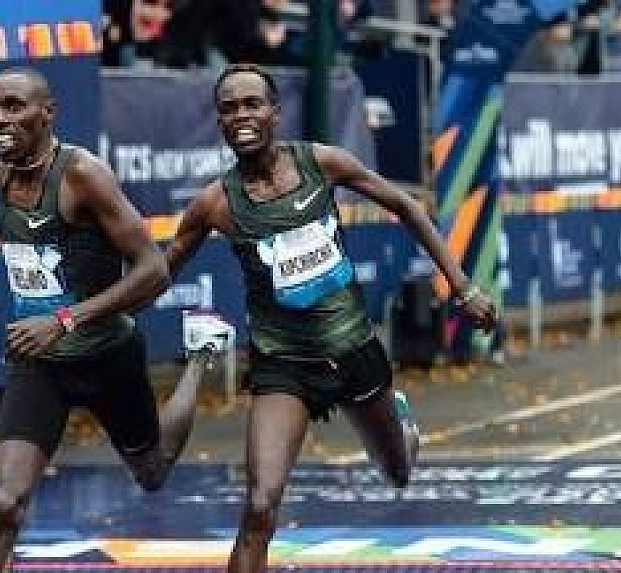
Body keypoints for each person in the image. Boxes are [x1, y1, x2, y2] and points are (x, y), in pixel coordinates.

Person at [164, 64, 498, 572]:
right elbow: (160, 270)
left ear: (275, 112)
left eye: (252, 104)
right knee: (260, 505)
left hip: (353, 350)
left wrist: (462, 286)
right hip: (284, 365)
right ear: (220, 122)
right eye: (229, 108)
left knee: (398, 472)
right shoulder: (215, 204)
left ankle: (401, 426)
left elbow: (407, 207)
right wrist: (100, 313)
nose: (242, 116)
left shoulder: (321, 162)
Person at [0, 67, 214, 572]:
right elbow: (25, 233)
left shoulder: (83, 175)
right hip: (39, 362)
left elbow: (153, 270)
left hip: (106, 355)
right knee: (7, 502)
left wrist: (62, 320)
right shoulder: (4, 170)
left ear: (47, 114)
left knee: (151, 473)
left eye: (14, 107)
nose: (1, 120)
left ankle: (200, 356)